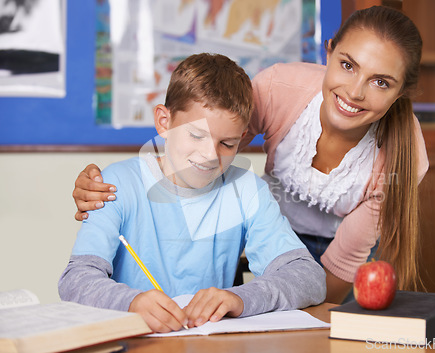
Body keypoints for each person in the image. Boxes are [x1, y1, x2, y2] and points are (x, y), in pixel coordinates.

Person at [71, 6, 429, 304]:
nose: (355, 91)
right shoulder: (276, 91)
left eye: (381, 81)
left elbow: (320, 276)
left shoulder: (400, 153)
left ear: (401, 92)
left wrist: (245, 298)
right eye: (348, 65)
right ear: (329, 52)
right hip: (276, 227)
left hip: (331, 255)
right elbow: (208, 132)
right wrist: (110, 179)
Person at [59, 53, 326, 333]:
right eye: (196, 135)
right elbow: (76, 279)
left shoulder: (247, 191)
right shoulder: (116, 184)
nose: (210, 156)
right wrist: (131, 302)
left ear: (242, 137)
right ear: (164, 122)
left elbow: (308, 277)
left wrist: (241, 297)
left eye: (227, 143)